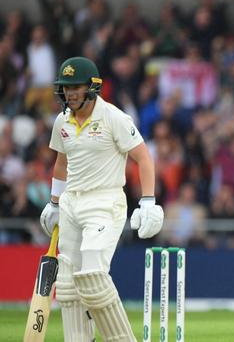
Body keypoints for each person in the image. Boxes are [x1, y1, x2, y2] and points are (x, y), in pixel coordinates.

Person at [39, 56, 164, 341]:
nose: (70, 93)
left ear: (92, 87)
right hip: (71, 203)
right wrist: (55, 202)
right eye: (65, 87)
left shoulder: (114, 118)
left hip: (104, 203)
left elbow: (143, 157)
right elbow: (61, 163)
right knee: (69, 285)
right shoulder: (62, 120)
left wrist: (148, 201)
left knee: (92, 276)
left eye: (76, 87)